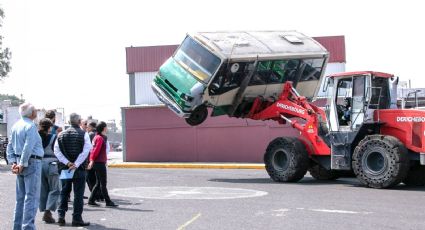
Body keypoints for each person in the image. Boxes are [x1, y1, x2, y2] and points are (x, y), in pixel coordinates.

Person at [6, 102, 44, 230]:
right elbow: (28, 147)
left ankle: (17, 227)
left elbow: (10, 146)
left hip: (19, 162)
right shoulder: (31, 126)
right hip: (32, 162)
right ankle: (28, 227)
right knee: (31, 198)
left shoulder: (16, 126)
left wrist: (14, 162)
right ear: (32, 113)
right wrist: (22, 163)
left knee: (20, 199)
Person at [54, 113, 92, 227]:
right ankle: (76, 218)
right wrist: (76, 164)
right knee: (78, 194)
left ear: (69, 121)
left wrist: (68, 163)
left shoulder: (61, 134)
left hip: (66, 169)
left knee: (64, 192)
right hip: (79, 169)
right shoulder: (84, 134)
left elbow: (57, 151)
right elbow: (86, 150)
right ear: (79, 121)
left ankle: (61, 216)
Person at [87, 121, 118, 207]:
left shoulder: (96, 137)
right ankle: (108, 201)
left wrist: (92, 160)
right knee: (103, 183)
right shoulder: (100, 138)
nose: (107, 128)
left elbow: (92, 150)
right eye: (106, 127)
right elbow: (95, 151)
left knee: (98, 183)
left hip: (98, 162)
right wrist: (92, 160)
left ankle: (91, 200)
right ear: (103, 128)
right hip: (99, 163)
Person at [38, 118, 60, 224]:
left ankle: (45, 212)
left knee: (43, 190)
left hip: (40, 164)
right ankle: (48, 211)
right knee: (55, 189)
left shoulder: (37, 137)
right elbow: (58, 151)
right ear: (50, 127)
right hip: (52, 164)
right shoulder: (54, 137)